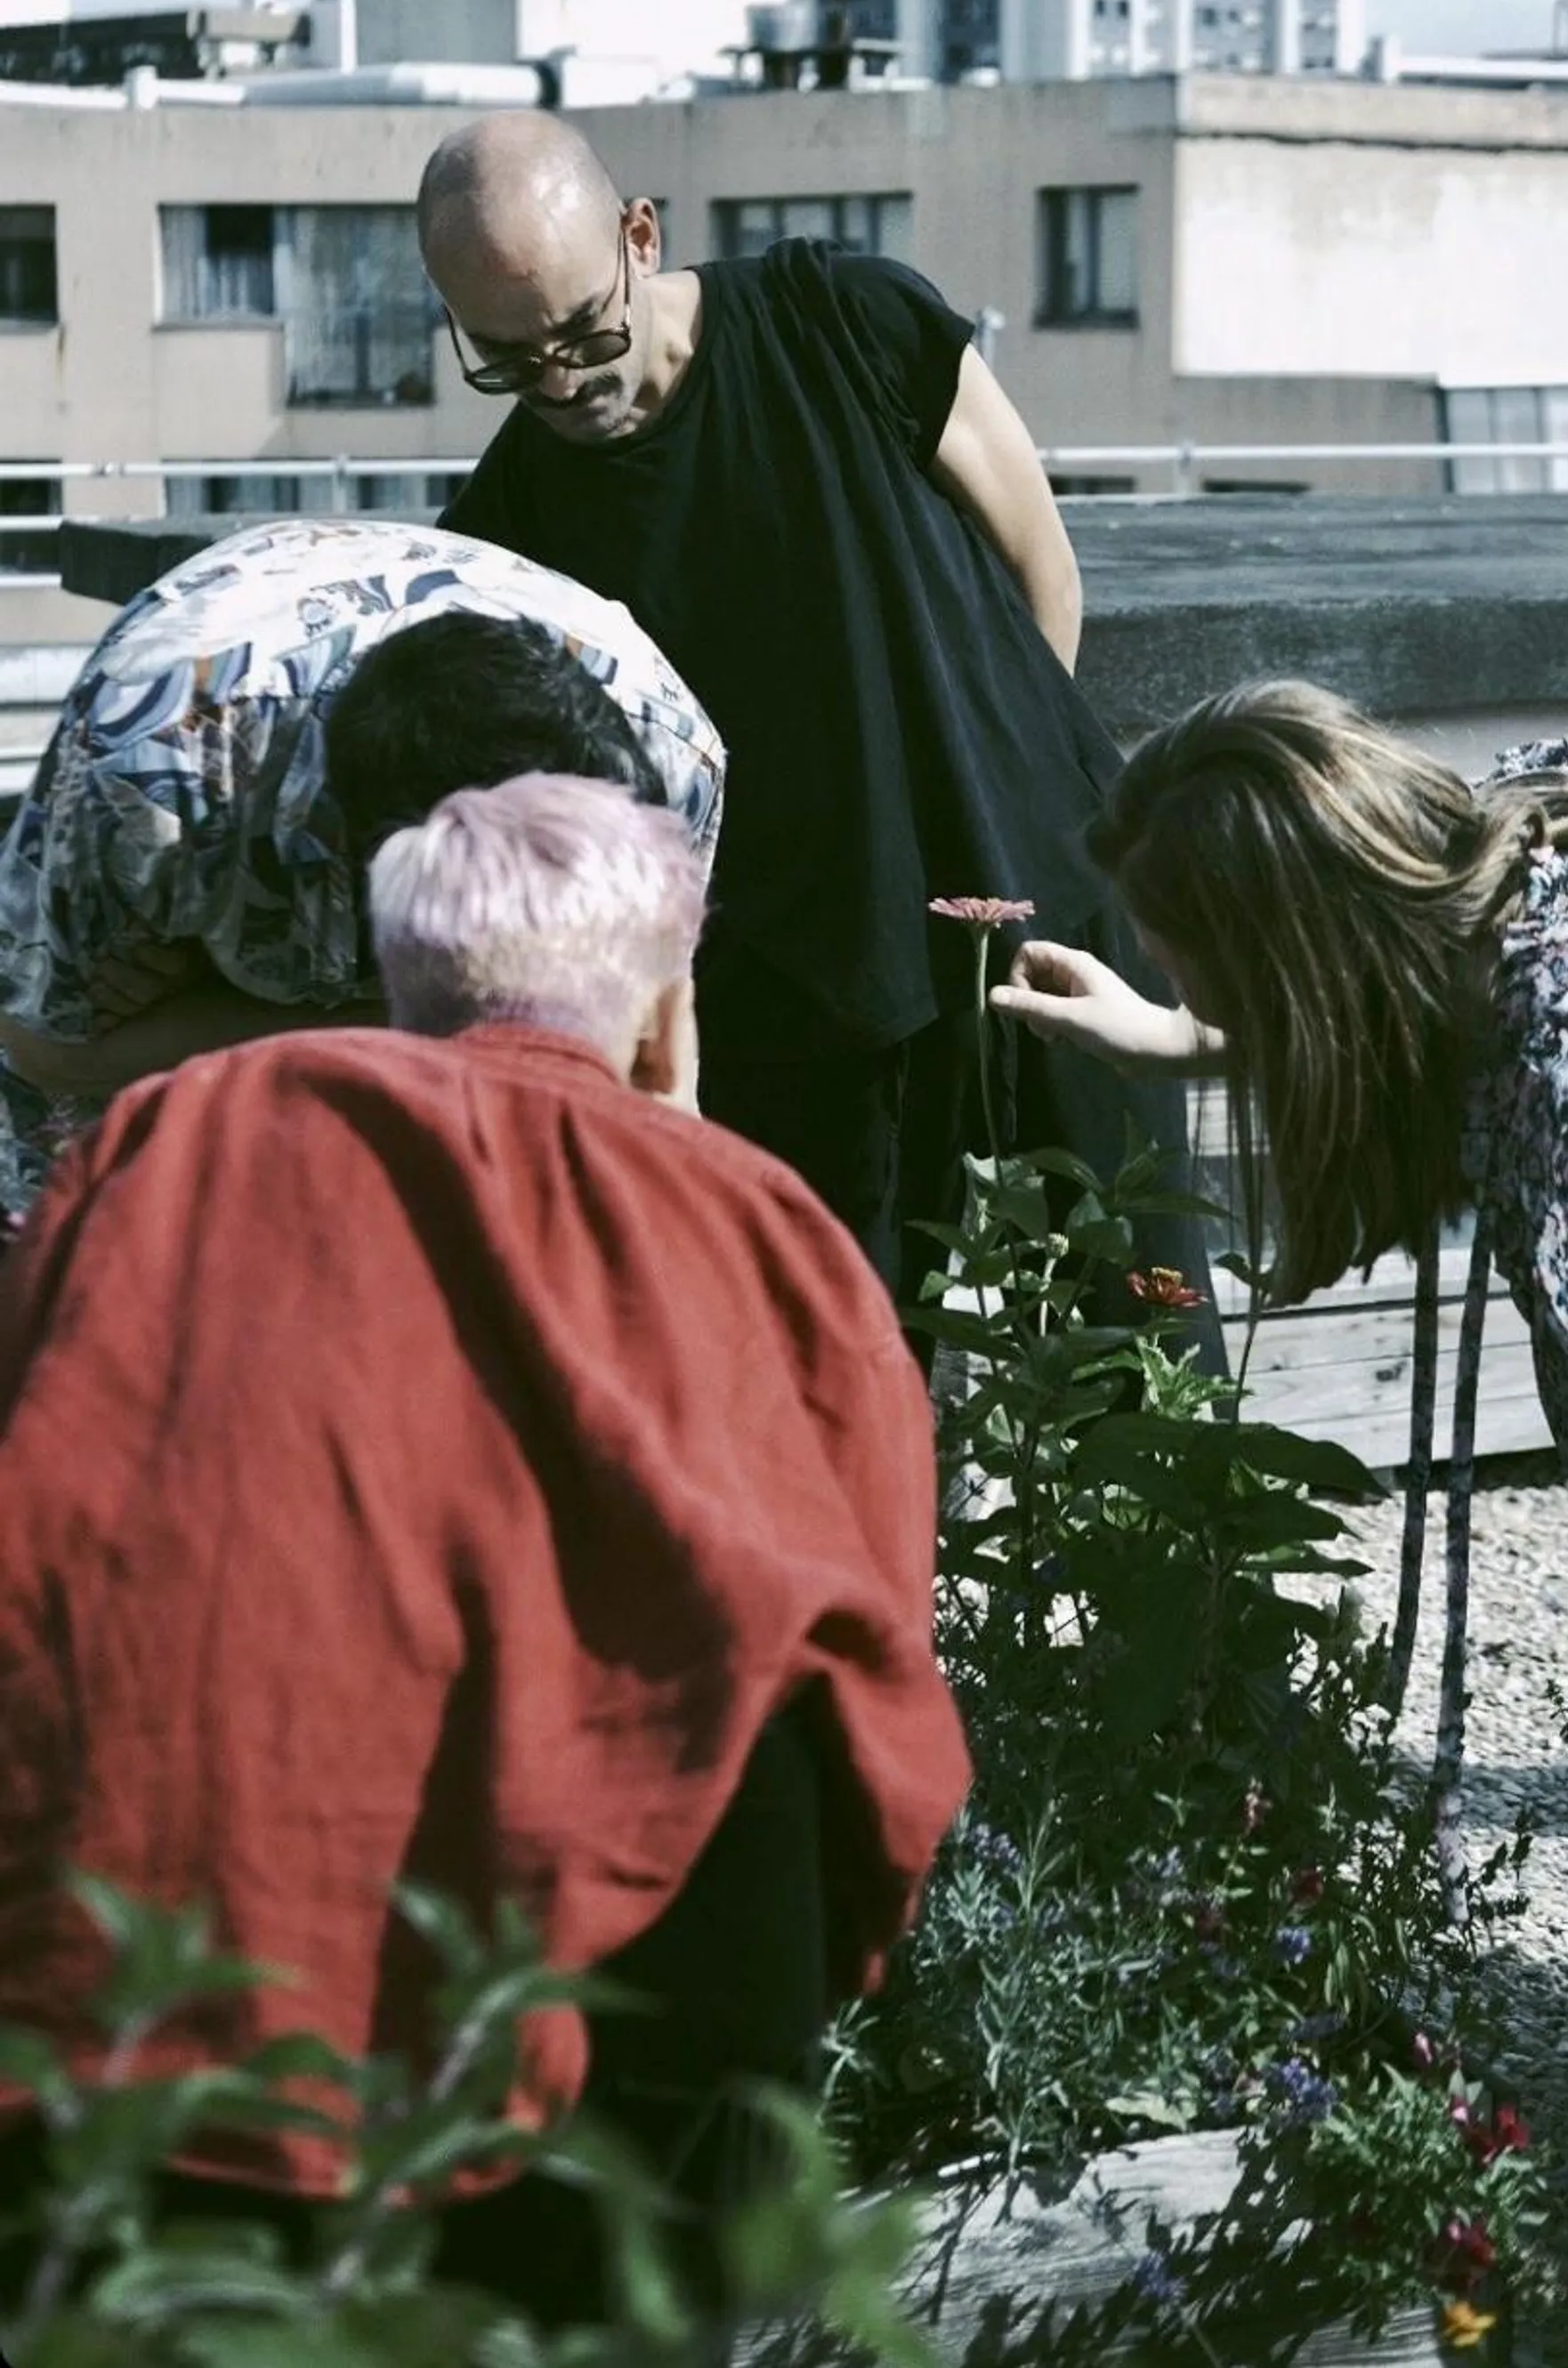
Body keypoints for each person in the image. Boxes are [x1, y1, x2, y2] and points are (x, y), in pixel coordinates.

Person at [0, 772, 968, 2332]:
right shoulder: (765, 1222)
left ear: (402, 980)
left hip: (143, 1985)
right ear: (666, 1019)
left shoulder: (164, 1136)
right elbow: (882, 1687)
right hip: (619, 2023)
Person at [420, 112, 1220, 1350]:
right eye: (509, 361)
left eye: (583, 330)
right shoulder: (507, 527)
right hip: (795, 1018)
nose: (562, 381)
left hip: (1044, 927)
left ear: (642, 237)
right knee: (826, 1387)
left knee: (1139, 1354)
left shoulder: (843, 318)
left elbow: (1042, 565)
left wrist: (1005, 805)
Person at [990, 680, 1568, 1509]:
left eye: (1180, 974)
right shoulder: (1504, 852)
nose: (1184, 997)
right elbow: (1369, 1001)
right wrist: (1178, 1038)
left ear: (1287, 979)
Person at [0, 513, 723, 1209]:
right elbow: (46, 1050)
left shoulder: (672, 760)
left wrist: (207, 1016)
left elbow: (650, 1082)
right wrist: (487, 1022)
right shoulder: (152, 762)